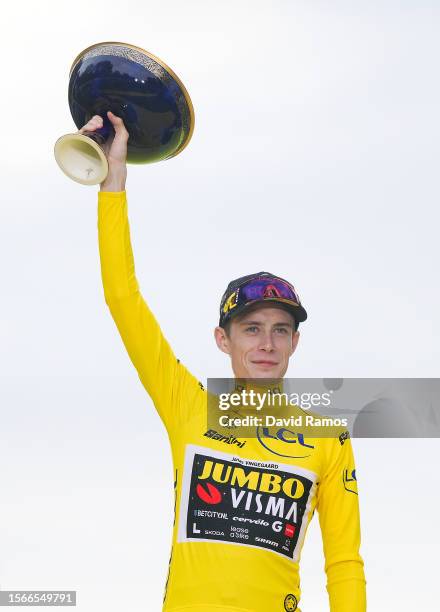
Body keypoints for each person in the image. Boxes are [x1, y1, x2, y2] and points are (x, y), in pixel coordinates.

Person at [85, 112, 367, 611]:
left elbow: (344, 564)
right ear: (223, 339)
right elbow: (122, 298)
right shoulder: (187, 405)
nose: (267, 344)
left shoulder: (329, 439)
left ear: (295, 344)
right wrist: (114, 184)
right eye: (251, 329)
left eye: (281, 330)